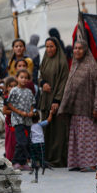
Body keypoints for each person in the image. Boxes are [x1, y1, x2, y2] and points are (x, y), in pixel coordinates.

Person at [58, 40, 97, 171]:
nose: (77, 51)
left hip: (87, 108)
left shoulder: (91, 66)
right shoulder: (75, 64)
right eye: (75, 48)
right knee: (76, 137)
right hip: (75, 108)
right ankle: (77, 162)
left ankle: (91, 163)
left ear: (85, 50)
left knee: (88, 136)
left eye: (80, 48)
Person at [38, 37, 70, 167]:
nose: (49, 49)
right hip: (45, 100)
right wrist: (42, 83)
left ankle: (58, 159)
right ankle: (47, 158)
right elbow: (40, 75)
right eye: (47, 46)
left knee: (58, 131)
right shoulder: (45, 59)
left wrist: (57, 100)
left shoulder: (62, 63)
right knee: (47, 131)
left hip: (57, 101)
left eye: (51, 46)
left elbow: (64, 82)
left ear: (56, 47)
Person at [7, 69, 37, 171]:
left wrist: (32, 112)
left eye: (26, 78)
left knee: (27, 141)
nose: (24, 80)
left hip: (27, 120)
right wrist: (20, 113)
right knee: (21, 142)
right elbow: (9, 104)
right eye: (21, 77)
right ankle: (15, 161)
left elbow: (33, 103)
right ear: (17, 78)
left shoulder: (29, 91)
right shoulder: (14, 90)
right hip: (17, 119)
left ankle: (23, 162)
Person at [29, 108, 55, 180]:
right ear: (39, 118)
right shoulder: (40, 124)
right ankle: (43, 165)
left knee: (33, 156)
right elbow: (48, 120)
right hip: (40, 143)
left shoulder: (30, 126)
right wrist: (51, 113)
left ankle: (33, 167)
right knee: (42, 155)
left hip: (33, 143)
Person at [2, 76, 18, 161]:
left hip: (17, 122)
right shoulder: (7, 98)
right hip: (9, 123)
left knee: (16, 141)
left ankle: (16, 159)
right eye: (10, 86)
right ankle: (9, 159)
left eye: (14, 86)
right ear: (6, 87)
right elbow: (4, 111)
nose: (12, 88)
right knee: (10, 141)